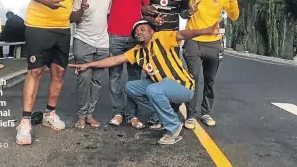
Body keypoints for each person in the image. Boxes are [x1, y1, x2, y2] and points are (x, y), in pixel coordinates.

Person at [69, 19, 220, 145]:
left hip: (183, 87)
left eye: (142, 29)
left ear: (151, 31)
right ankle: (169, 113)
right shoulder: (137, 51)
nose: (138, 32)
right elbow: (114, 60)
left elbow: (184, 34)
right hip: (163, 88)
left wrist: (207, 30)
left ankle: (173, 128)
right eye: (136, 32)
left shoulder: (162, 37)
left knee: (153, 90)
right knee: (130, 87)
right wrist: (87, 65)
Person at [148, 0, 239, 130]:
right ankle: (190, 115)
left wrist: (232, 0)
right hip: (193, 40)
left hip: (214, 41)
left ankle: (206, 112)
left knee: (209, 80)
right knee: (193, 77)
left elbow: (234, 16)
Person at [16, 0, 90, 145]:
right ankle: (25, 122)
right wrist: (45, 1)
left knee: (59, 72)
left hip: (62, 30)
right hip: (38, 26)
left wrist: (81, 11)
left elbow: (72, 15)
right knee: (35, 72)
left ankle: (50, 113)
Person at [142, 0, 199, 128]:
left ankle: (171, 113)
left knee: (171, 76)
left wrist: (189, 13)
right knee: (152, 75)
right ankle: (155, 115)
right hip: (151, 38)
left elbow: (182, 12)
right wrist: (151, 19)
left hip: (171, 40)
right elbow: (143, 7)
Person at [106, 0, 151, 129]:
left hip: (135, 38)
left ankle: (132, 115)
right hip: (114, 36)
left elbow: (145, 10)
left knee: (134, 78)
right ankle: (118, 112)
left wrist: (153, 18)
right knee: (114, 77)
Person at [69, 0, 112, 129]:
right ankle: (81, 115)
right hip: (83, 41)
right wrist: (82, 9)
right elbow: (72, 18)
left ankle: (90, 115)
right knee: (84, 80)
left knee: (97, 82)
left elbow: (106, 15)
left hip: (102, 43)